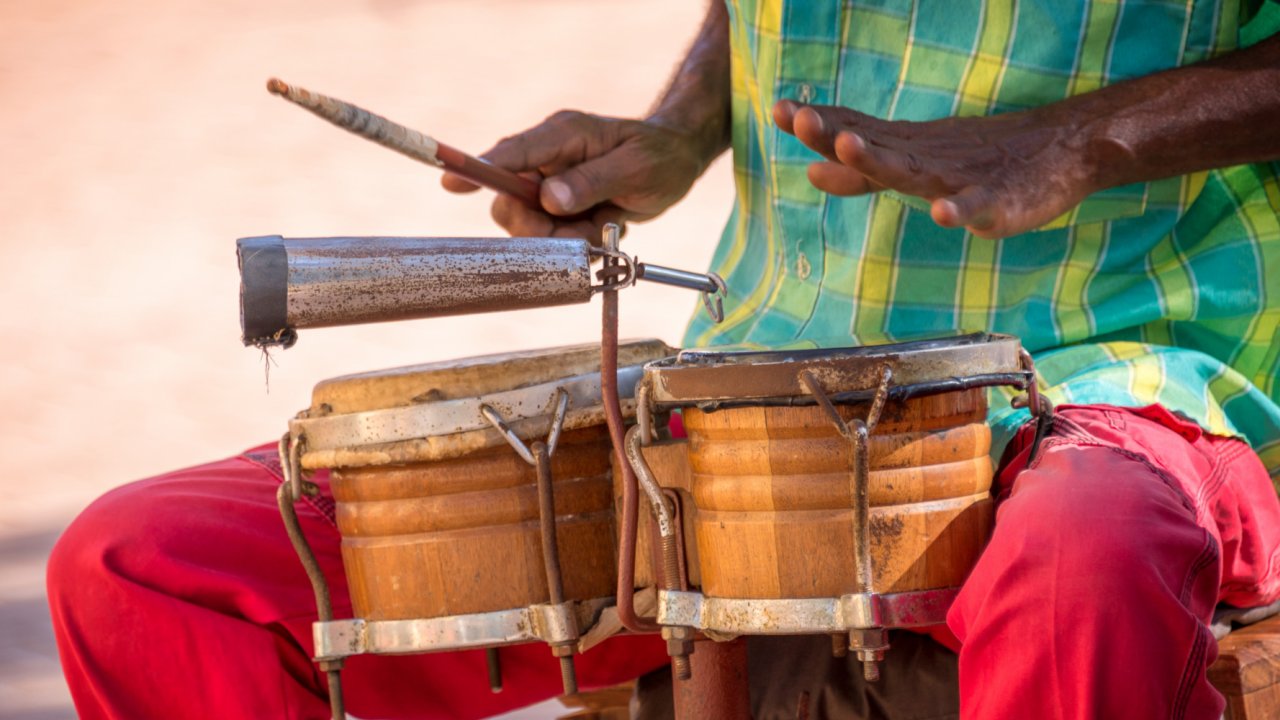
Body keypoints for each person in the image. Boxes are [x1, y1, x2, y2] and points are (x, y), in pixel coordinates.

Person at [49, 1, 1280, 718]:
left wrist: (1079, 138)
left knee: (1084, 557)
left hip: (1120, 364)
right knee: (144, 569)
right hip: (753, 371)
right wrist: (677, 130)